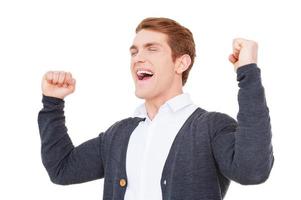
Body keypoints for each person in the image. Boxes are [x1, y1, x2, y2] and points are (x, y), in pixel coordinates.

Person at [38, 17, 274, 200]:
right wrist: (52, 103)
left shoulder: (211, 128)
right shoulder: (119, 135)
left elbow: (252, 170)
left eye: (151, 48)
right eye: (134, 51)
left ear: (181, 63)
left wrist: (248, 72)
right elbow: (62, 169)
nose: (138, 58)